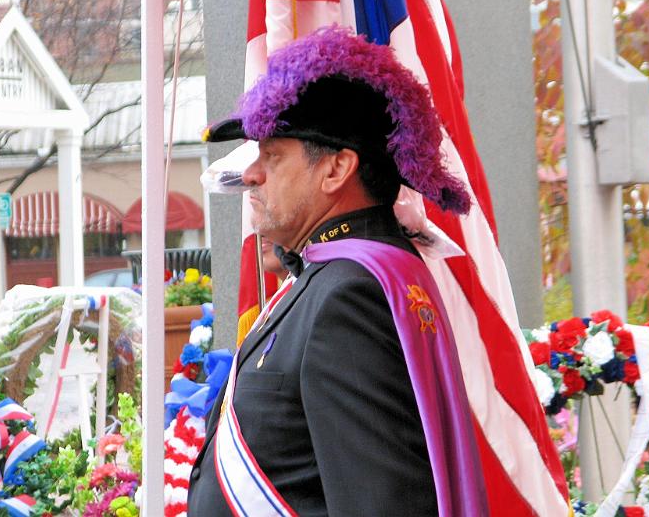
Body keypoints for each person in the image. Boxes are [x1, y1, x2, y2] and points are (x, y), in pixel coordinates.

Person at [187, 27, 487, 516]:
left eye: (272, 155)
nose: (250, 174)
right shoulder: (337, 279)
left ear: (336, 170)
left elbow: (379, 503)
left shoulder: (347, 297)